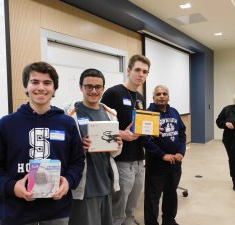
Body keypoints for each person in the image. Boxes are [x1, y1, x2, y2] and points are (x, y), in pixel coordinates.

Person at [0, 62, 85, 225]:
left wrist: (69, 181)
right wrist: (12, 187)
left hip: (57, 211)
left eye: (47, 83)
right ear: (26, 87)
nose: (41, 87)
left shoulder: (67, 123)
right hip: (16, 212)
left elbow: (77, 161)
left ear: (54, 89)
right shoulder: (7, 124)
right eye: (35, 82)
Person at [64, 68, 123, 225]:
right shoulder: (70, 115)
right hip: (85, 187)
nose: (93, 90)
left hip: (106, 182)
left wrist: (118, 145)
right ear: (81, 87)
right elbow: (62, 151)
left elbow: (114, 154)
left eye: (98, 87)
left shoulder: (110, 113)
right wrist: (79, 147)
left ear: (103, 88)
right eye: (88, 86)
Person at [101, 54, 151, 225]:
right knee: (119, 201)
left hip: (139, 158)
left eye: (145, 72)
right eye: (137, 70)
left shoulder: (141, 98)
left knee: (134, 199)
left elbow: (140, 126)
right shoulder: (113, 93)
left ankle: (129, 221)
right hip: (121, 158)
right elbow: (100, 126)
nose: (141, 74)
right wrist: (121, 133)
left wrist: (150, 129)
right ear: (128, 70)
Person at [143, 85, 186, 225]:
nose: (161, 96)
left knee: (171, 193)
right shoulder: (148, 114)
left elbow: (181, 133)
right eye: (158, 94)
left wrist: (181, 152)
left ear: (169, 96)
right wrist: (162, 155)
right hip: (157, 164)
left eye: (164, 94)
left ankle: (169, 220)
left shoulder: (174, 112)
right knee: (152, 197)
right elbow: (146, 140)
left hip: (175, 163)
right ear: (153, 97)